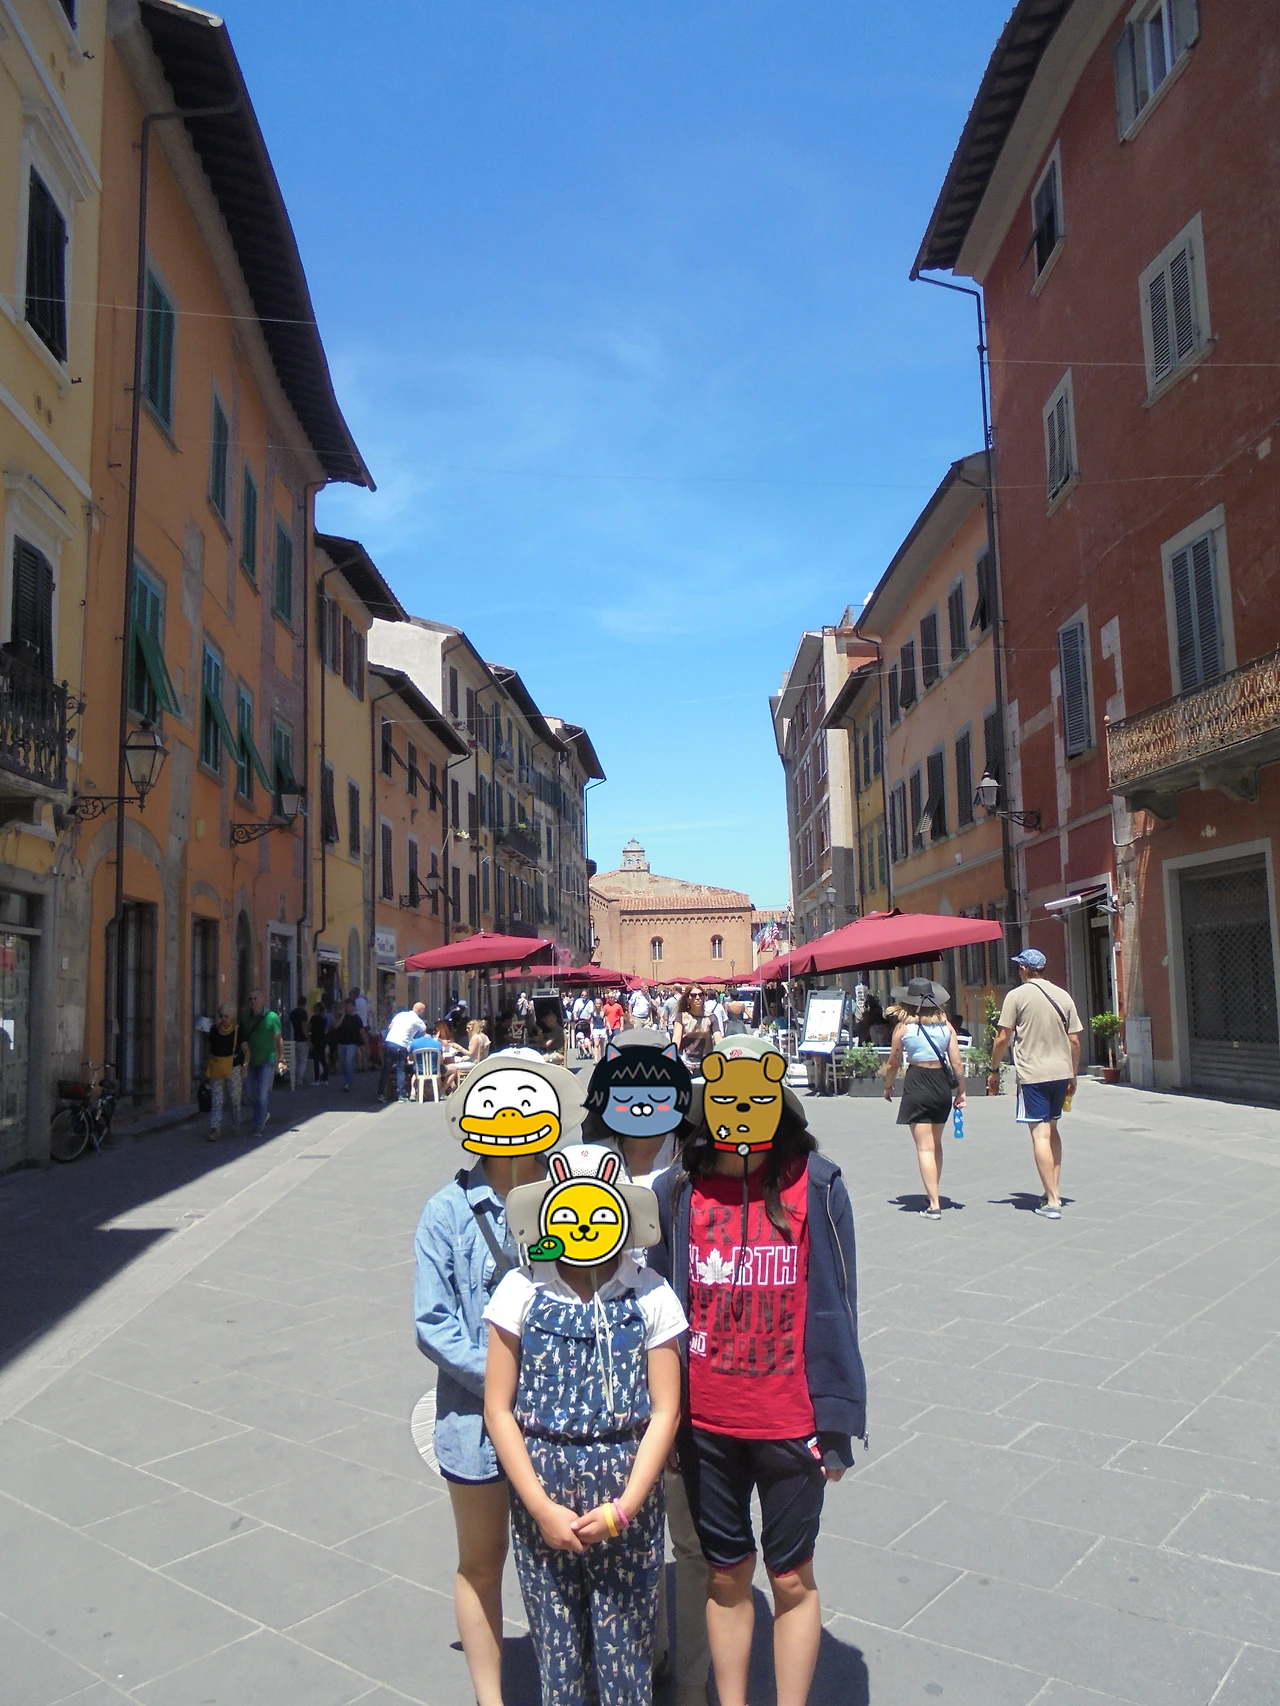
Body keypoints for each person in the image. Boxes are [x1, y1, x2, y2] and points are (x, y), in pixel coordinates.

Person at [650, 1036, 866, 1706]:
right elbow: (662, 1317)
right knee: (725, 1576)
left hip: (791, 1423)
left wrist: (835, 1420)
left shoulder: (818, 1183)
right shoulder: (676, 1191)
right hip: (707, 1426)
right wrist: (668, 1425)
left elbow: (838, 1305)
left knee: (792, 1578)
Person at [484, 1145, 686, 1706]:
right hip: (541, 1492)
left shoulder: (650, 1293)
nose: (585, 1227)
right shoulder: (520, 1291)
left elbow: (665, 1409)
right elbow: (498, 1408)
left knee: (628, 1647)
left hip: (627, 1494)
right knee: (558, 1654)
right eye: (569, 1213)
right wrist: (541, 1507)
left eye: (600, 1213)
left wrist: (625, 1507)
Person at [414, 1061, 578, 1706]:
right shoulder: (447, 1210)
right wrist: (510, 1378)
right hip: (476, 1424)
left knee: (563, 1560)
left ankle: (570, 1681)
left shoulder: (574, 1193)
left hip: (561, 1421)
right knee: (482, 1562)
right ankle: (492, 1698)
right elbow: (432, 1322)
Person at [584, 1038, 710, 1704]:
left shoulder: (696, 1169)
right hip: (609, 1386)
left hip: (681, 1383)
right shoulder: (576, 1168)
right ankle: (644, 1655)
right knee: (627, 1535)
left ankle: (690, 1681)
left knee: (688, 1541)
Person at [988, 947, 1083, 1219]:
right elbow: (1075, 1040)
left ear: (1024, 970)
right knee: (1052, 1129)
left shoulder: (1016, 996)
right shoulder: (1063, 996)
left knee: (1039, 1134)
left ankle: (1052, 1201)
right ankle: (1053, 1189)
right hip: (1061, 1072)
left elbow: (1002, 1037)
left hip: (1033, 1073)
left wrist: (994, 1069)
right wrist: (1073, 1074)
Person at [881, 978, 966, 1220]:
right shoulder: (946, 1027)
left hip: (917, 1082)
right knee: (936, 1144)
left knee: (924, 1148)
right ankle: (933, 1193)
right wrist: (961, 1091)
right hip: (941, 1084)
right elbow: (957, 1063)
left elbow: (893, 1062)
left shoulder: (904, 1028)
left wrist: (889, 1086)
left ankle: (934, 1204)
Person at [240, 989, 284, 1139]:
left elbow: (278, 1039)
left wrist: (281, 1059)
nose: (253, 1002)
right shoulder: (245, 1017)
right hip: (250, 1061)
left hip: (267, 1060)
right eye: (250, 999)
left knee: (262, 1094)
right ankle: (262, 1114)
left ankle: (257, 1126)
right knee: (250, 1093)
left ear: (263, 1000)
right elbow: (241, 1036)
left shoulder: (272, 1017)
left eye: (256, 999)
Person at [205, 1004, 244, 1140]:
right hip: (217, 1066)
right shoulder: (214, 1030)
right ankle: (215, 1128)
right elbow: (209, 1047)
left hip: (233, 1067)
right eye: (220, 1016)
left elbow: (246, 1049)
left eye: (226, 1016)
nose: (223, 1019)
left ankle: (236, 1124)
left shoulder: (238, 1031)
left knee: (234, 1097)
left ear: (232, 1017)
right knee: (217, 1100)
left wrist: (244, 1067)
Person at [382, 1001, 428, 1101]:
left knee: (386, 1069)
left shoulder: (400, 1014)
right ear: (419, 1010)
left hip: (389, 1041)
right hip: (401, 1044)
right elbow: (424, 1033)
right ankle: (401, 1095)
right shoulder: (417, 1020)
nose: (423, 1014)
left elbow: (390, 1027)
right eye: (423, 1012)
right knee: (400, 1070)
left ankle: (381, 1094)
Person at [672, 987, 720, 1076]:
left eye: (700, 995)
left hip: (706, 1064)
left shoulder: (711, 1018)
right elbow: (676, 1040)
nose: (697, 998)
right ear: (688, 999)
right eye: (693, 995)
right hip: (685, 1064)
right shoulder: (681, 1017)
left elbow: (719, 1039)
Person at [332, 999, 368, 1093]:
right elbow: (335, 1026)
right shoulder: (341, 1017)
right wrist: (343, 1015)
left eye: (350, 1006)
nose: (349, 1009)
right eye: (347, 1007)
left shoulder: (357, 1019)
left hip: (352, 1044)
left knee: (349, 1062)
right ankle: (347, 1079)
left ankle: (348, 1083)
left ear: (353, 1007)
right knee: (343, 1064)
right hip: (341, 1043)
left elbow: (362, 1032)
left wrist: (366, 1044)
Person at [307, 1002, 330, 1085]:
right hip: (323, 1039)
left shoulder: (314, 1018)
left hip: (315, 1040)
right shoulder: (324, 1018)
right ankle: (325, 1078)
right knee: (323, 1059)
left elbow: (309, 1027)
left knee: (316, 1060)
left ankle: (317, 1079)